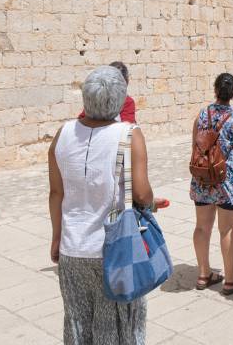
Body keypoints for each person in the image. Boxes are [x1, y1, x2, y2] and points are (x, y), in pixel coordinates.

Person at [49, 66, 152, 344]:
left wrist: (57, 237)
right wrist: (152, 202)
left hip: (72, 247)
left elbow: (56, 193)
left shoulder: (63, 133)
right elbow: (142, 194)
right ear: (120, 98)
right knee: (117, 325)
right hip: (114, 248)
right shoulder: (129, 134)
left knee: (78, 322)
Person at [190, 73, 233, 295]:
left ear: (215, 90)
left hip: (203, 179)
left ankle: (203, 273)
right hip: (228, 182)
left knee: (202, 227)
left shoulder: (201, 115)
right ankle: (230, 280)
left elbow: (195, 145)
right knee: (227, 230)